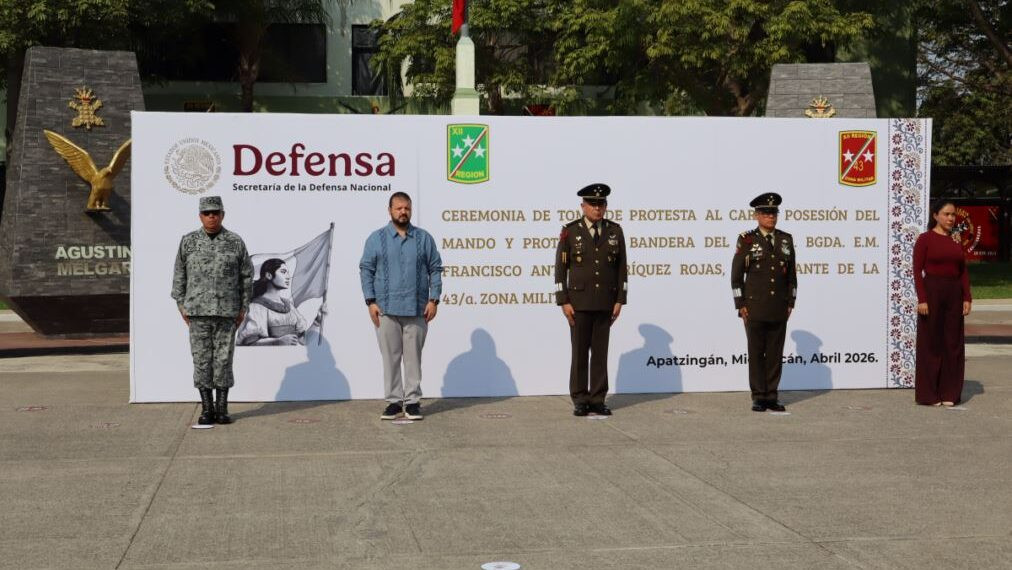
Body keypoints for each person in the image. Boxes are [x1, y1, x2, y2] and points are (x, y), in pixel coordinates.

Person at [359, 192, 443, 420]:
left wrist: (434, 299)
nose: (403, 212)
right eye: (398, 208)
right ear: (390, 210)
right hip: (386, 309)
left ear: (411, 210)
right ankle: (394, 402)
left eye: (406, 208)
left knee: (413, 357)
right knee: (391, 357)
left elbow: (435, 268)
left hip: (417, 308)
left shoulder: (424, 238)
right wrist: (370, 301)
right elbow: (366, 270)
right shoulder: (376, 239)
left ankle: (413, 402)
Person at [171, 196, 253, 425]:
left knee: (223, 360)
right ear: (200, 216)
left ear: (222, 215)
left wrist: (243, 307)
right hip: (197, 313)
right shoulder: (188, 242)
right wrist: (181, 305)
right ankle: (207, 409)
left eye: (215, 213)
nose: (211, 217)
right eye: (207, 213)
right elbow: (179, 274)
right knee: (202, 360)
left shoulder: (235, 242)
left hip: (227, 312)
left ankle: (222, 409)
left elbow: (246, 277)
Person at [554, 183, 628, 416]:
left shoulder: (615, 231)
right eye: (593, 204)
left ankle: (597, 399)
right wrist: (563, 300)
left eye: (601, 204)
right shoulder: (570, 231)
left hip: (605, 302)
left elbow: (622, 269)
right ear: (583, 206)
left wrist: (620, 299)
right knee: (579, 354)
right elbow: (560, 269)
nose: (597, 208)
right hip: (579, 302)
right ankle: (580, 399)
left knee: (600, 353)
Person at [730, 192, 797, 412]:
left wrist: (791, 301)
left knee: (775, 354)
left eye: (774, 213)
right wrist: (740, 304)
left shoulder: (786, 239)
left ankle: (772, 396)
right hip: (754, 307)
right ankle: (759, 396)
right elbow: (736, 275)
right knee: (757, 353)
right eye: (766, 213)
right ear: (757, 216)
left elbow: (791, 275)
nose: (771, 217)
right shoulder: (747, 239)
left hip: (778, 306)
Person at [913, 200, 972, 407]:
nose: (950, 218)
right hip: (932, 292)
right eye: (946, 214)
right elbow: (917, 271)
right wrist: (922, 299)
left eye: (953, 215)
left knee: (952, 343)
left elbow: (962, 271)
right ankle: (928, 394)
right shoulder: (925, 239)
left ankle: (950, 392)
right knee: (931, 343)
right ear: (935, 215)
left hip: (954, 294)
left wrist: (967, 297)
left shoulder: (956, 240)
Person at [236, 258, 325, 346]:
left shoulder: (289, 306)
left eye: (288, 273)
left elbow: (303, 341)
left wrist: (317, 321)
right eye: (283, 272)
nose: (288, 277)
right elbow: (249, 343)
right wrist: (277, 341)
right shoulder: (256, 307)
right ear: (269, 275)